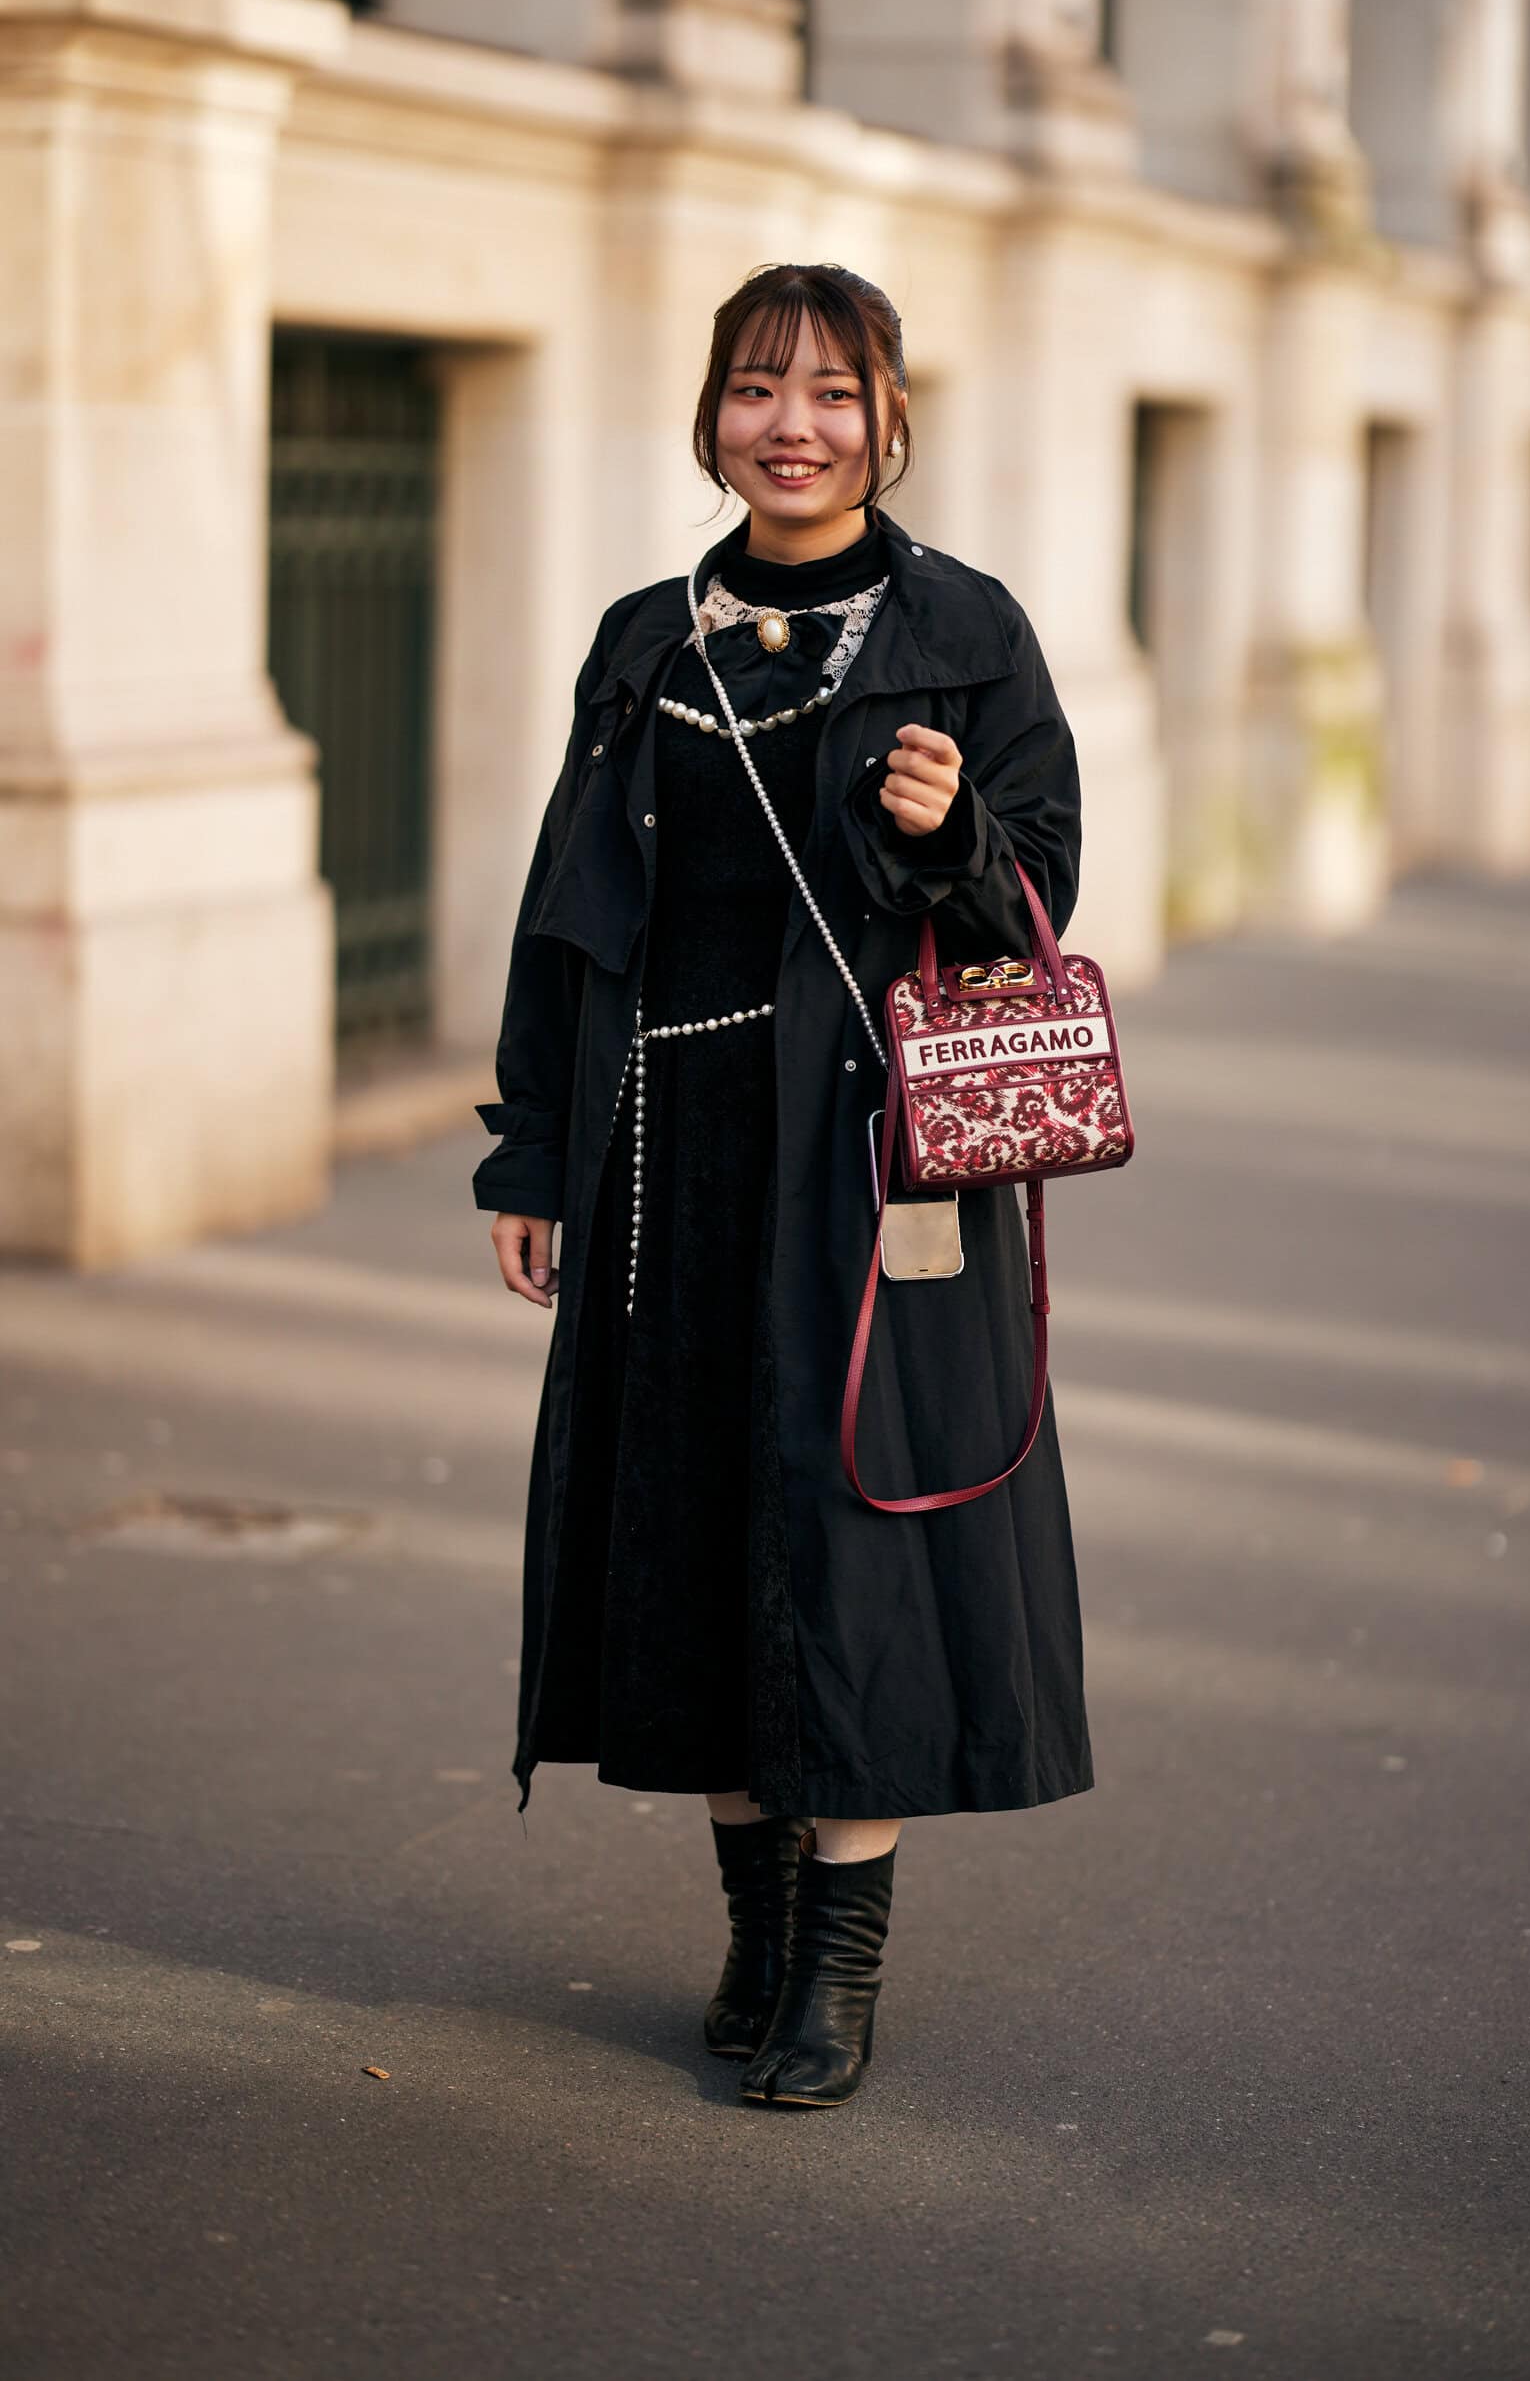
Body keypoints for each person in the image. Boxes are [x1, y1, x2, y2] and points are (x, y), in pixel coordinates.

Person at [474, 261, 1091, 2110]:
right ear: (713, 415)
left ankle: (841, 1965)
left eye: (832, 392)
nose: (793, 425)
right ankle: (750, 1935)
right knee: (691, 1530)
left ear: (891, 417)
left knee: (857, 1540)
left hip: (876, 1170)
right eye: (758, 389)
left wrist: (952, 833)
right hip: (665, 1153)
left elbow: (1043, 910)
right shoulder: (644, 637)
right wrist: (530, 1147)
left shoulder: (961, 631)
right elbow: (565, 914)